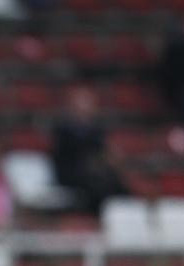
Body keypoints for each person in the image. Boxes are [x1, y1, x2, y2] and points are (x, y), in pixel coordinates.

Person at [50, 86, 128, 215]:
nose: (86, 108)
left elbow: (103, 152)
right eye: (82, 104)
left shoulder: (96, 130)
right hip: (71, 174)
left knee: (116, 184)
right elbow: (73, 155)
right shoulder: (63, 129)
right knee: (97, 187)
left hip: (94, 175)